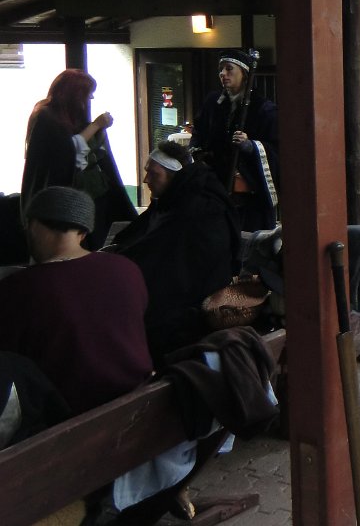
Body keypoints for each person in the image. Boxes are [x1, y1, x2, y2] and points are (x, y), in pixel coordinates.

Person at [0, 186, 152, 415]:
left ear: (34, 225)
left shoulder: (20, 288)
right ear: (83, 232)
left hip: (68, 416)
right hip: (139, 401)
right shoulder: (127, 268)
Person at [111, 141, 241, 366]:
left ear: (174, 175)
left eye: (154, 174)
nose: (146, 180)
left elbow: (171, 260)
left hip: (192, 307)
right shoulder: (173, 200)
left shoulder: (200, 209)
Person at [21, 69, 137, 251]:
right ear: (74, 93)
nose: (91, 98)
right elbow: (68, 152)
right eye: (88, 93)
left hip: (93, 194)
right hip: (68, 197)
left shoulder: (66, 116)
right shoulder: (46, 117)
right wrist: (96, 125)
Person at [189, 49, 279, 231]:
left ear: (244, 74)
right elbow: (199, 133)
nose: (223, 74)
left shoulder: (264, 109)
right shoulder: (213, 103)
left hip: (249, 191)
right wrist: (197, 151)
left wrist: (251, 146)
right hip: (216, 186)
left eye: (229, 69)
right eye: (221, 69)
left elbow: (277, 146)